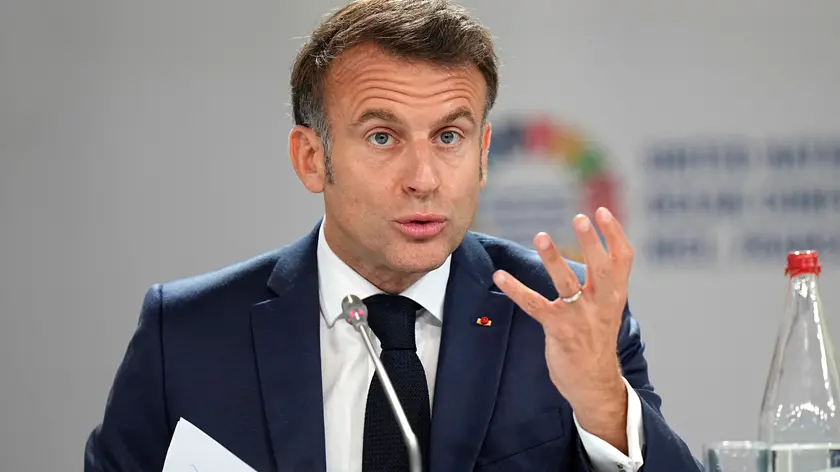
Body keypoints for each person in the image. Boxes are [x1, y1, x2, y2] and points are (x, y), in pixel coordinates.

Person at [84, 0, 702, 471]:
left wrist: (602, 402)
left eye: (449, 137)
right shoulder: (187, 334)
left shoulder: (563, 314)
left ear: (483, 153)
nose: (424, 179)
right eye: (382, 137)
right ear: (310, 158)